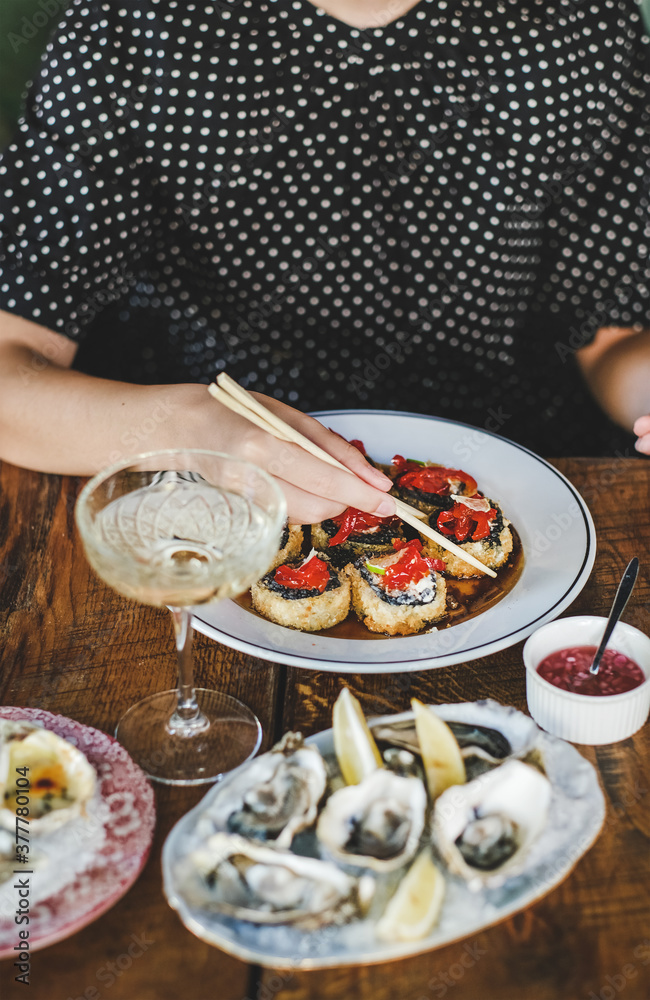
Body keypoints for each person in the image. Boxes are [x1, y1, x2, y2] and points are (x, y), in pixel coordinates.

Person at [0, 0, 648, 525]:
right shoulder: (130, 26)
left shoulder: (581, 26)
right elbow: (11, 366)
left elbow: (609, 337)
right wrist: (192, 428)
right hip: (203, 495)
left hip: (509, 482)